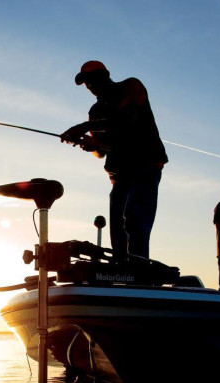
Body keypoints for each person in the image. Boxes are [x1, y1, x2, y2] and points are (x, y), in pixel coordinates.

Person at [60, 60, 168, 259]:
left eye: (92, 79)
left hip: (145, 165)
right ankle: (122, 270)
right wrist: (91, 144)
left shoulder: (131, 86)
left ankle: (138, 274)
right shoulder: (95, 111)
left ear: (106, 74)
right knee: (117, 228)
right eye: (86, 82)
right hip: (120, 175)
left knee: (135, 221)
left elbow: (126, 122)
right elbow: (101, 150)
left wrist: (83, 127)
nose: (90, 85)